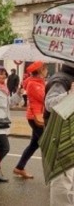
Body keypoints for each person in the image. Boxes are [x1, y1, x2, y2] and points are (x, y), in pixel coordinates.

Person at [43, 62, 74, 205]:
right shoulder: (61, 80)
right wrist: (69, 94)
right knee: (63, 181)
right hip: (61, 137)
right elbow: (49, 104)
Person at [14, 61, 47, 179]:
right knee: (46, 144)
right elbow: (45, 99)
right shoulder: (34, 84)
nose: (47, 70)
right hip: (35, 117)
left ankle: (19, 167)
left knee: (34, 145)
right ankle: (53, 174)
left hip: (37, 116)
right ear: (40, 70)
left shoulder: (39, 82)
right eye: (45, 68)